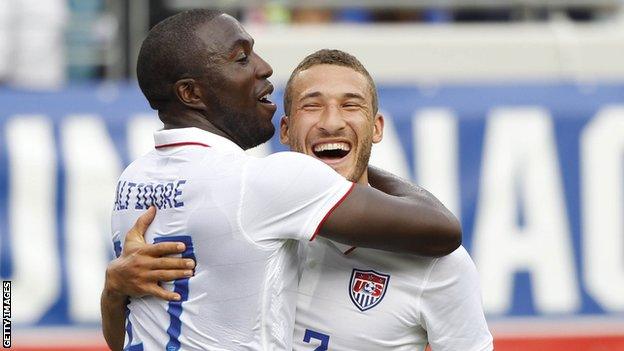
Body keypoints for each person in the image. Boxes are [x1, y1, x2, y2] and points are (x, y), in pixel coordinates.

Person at [102, 9, 461, 351]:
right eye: (241, 58)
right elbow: (443, 230)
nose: (265, 68)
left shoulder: (132, 182)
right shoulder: (267, 182)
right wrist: (351, 153)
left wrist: (113, 292)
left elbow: (130, 337)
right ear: (191, 93)